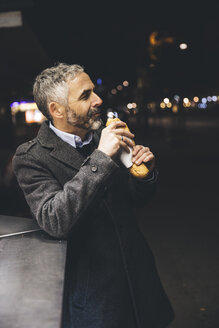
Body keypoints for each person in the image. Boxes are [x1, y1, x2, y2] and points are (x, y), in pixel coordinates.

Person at [12, 63, 174, 328]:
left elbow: (135, 200)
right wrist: (101, 157)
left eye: (94, 91)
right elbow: (55, 221)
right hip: (96, 297)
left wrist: (144, 175)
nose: (98, 100)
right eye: (85, 95)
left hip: (140, 280)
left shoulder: (104, 135)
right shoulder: (32, 157)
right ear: (56, 109)